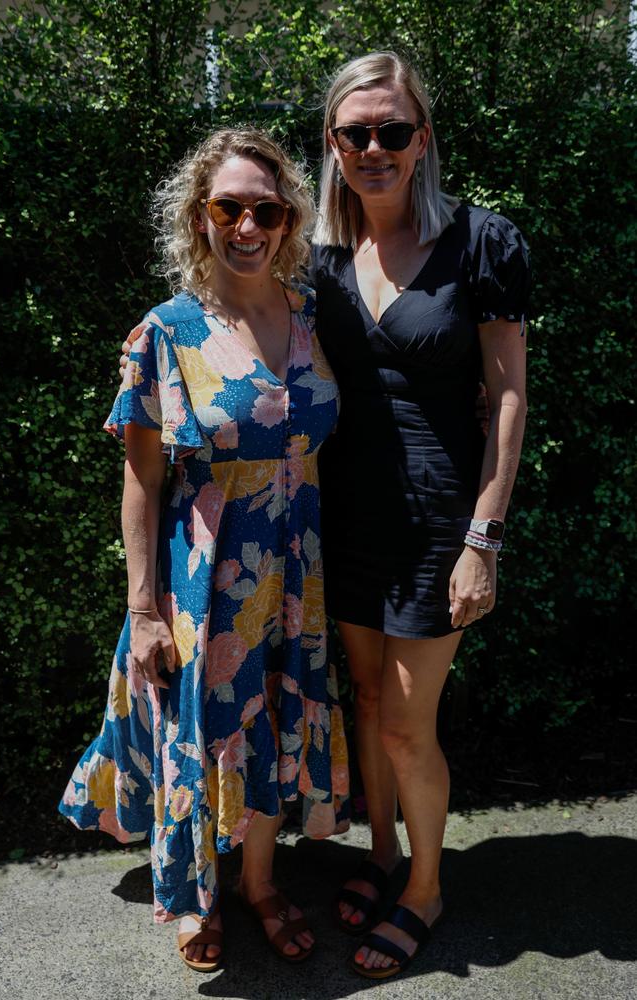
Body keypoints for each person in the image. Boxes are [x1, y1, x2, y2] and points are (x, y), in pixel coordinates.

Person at [59, 127, 349, 972]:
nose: (249, 226)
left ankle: (260, 883)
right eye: (229, 207)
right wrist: (143, 609)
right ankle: (196, 896)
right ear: (199, 216)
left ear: (291, 218)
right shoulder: (165, 333)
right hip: (210, 576)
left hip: (298, 566)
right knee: (205, 732)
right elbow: (142, 483)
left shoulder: (307, 316)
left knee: (274, 723)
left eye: (267, 208)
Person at [307, 50, 529, 979]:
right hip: (344, 509)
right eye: (356, 132)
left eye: (392, 131)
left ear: (421, 139)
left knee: (405, 722)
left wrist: (484, 535)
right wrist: (163, 339)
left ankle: (428, 889)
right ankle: (385, 857)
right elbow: (243, 318)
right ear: (333, 143)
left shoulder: (481, 240)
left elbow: (509, 395)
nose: (374, 148)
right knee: (363, 700)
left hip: (443, 515)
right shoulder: (313, 254)